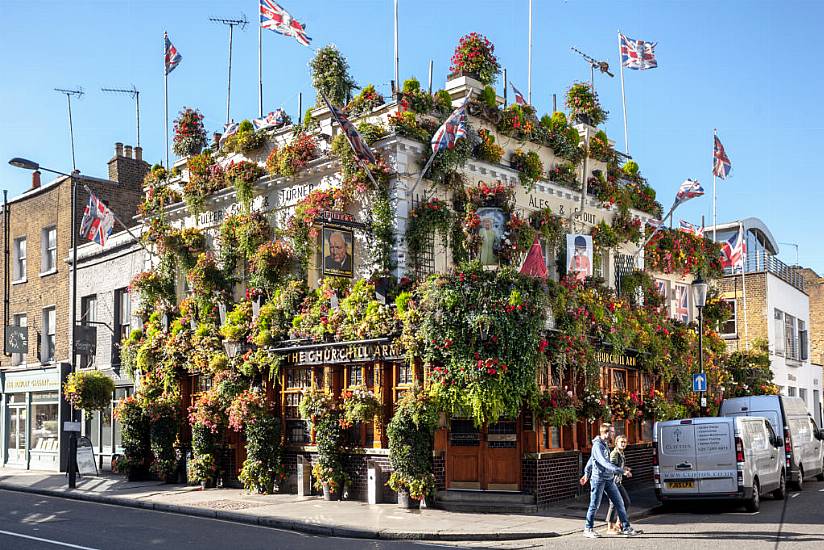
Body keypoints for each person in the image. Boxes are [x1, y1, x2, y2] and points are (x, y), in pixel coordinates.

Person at [579, 423, 639, 538]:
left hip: (609, 479)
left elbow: (591, 460)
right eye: (611, 432)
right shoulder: (597, 446)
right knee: (594, 505)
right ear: (605, 433)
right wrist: (621, 471)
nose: (613, 433)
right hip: (598, 480)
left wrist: (586, 473)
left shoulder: (605, 444)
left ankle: (626, 527)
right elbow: (604, 463)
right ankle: (588, 528)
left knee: (619, 502)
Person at [606, 435, 632, 533]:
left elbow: (618, 466)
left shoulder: (621, 453)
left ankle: (618, 523)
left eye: (625, 442)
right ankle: (610, 528)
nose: (623, 444)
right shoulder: (614, 454)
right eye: (621, 442)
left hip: (617, 482)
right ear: (616, 443)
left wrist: (625, 468)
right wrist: (623, 471)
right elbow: (611, 467)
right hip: (611, 482)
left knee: (626, 502)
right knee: (613, 504)